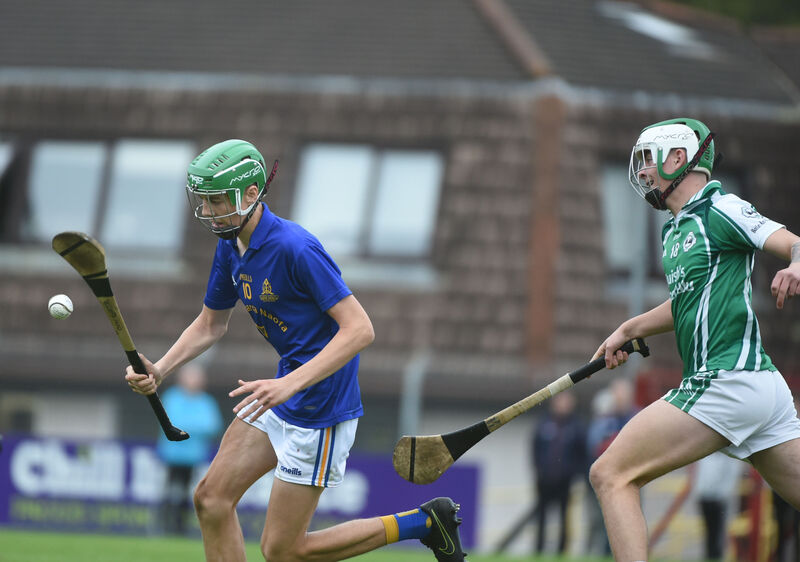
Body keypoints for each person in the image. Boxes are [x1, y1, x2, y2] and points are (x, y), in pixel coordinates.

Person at [125, 139, 466, 562]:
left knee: (283, 550)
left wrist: (289, 384)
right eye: (205, 201)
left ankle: (425, 523)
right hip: (282, 391)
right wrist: (160, 368)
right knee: (211, 500)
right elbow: (211, 323)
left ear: (251, 194)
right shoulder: (230, 246)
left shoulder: (295, 247)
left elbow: (360, 329)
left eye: (217, 200)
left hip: (320, 407)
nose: (209, 211)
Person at [588, 118, 800, 561]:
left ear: (679, 158)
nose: (642, 171)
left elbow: (794, 244)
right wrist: (630, 329)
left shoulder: (718, 209)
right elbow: (687, 300)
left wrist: (795, 264)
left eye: (649, 159)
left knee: (610, 474)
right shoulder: (674, 230)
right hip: (759, 386)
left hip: (726, 380)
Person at [156, 362, 224, 535]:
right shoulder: (172, 397)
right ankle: (164, 526)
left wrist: (186, 427)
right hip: (172, 455)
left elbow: (212, 425)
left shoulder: (206, 401)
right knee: (170, 491)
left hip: (193, 456)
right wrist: (194, 428)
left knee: (188, 494)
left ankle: (180, 528)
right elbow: (170, 423)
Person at [584, 378, 637, 555]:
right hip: (604, 482)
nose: (620, 398)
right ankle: (598, 554)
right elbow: (593, 446)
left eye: (623, 394)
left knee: (629, 521)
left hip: (631, 479)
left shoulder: (638, 418)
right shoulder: (604, 420)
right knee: (598, 521)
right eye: (617, 394)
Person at [531, 391, 585, 554]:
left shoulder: (577, 426)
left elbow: (581, 453)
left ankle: (561, 552)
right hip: (544, 480)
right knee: (541, 518)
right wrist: (539, 470)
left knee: (564, 518)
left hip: (565, 481)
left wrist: (573, 474)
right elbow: (535, 449)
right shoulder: (544, 423)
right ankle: (538, 551)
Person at [694, 451, 742, 561]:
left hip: (719, 499)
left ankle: (717, 556)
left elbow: (731, 476)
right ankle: (709, 556)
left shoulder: (729, 459)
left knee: (718, 532)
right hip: (705, 498)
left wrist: (723, 494)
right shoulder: (706, 456)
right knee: (708, 531)